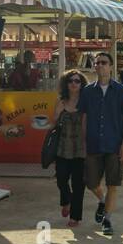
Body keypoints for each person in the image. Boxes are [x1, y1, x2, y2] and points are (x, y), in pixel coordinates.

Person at [78, 52, 123, 237]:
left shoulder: (120, 90)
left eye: (103, 63)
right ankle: (102, 201)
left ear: (111, 67)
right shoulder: (87, 91)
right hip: (94, 143)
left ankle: (107, 219)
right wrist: (84, 141)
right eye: (97, 63)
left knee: (113, 184)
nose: (100, 66)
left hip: (114, 143)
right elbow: (84, 117)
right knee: (91, 182)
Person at [51, 71, 92, 227]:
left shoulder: (85, 102)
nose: (74, 83)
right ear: (66, 84)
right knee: (61, 179)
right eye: (70, 81)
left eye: (77, 81)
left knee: (78, 184)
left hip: (80, 148)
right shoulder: (60, 101)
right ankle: (66, 200)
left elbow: (87, 127)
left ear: (82, 84)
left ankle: (75, 216)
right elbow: (54, 122)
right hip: (62, 147)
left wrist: (89, 147)